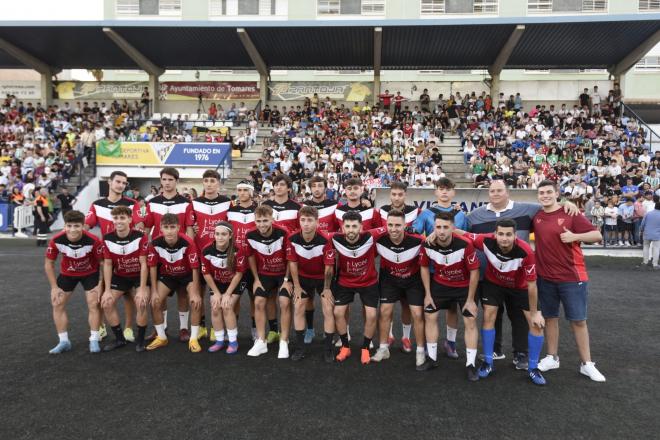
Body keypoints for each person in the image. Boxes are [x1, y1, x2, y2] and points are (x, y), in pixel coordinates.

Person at [466, 179, 577, 368]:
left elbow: (550, 206)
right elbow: (465, 236)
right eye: (492, 191)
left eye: (500, 190)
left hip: (519, 278)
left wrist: (566, 202)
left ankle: (521, 354)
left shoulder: (527, 209)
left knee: (518, 316)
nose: (496, 194)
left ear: (507, 192)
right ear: (488, 193)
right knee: (492, 315)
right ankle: (494, 350)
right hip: (489, 276)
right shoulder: (474, 216)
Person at [534, 180, 606, 382]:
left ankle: (587, 364)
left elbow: (597, 235)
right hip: (546, 277)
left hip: (572, 277)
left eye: (549, 192)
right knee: (550, 318)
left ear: (557, 193)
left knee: (578, 321)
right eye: (542, 193)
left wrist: (575, 235)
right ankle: (552, 357)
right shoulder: (537, 215)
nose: (545, 195)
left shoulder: (570, 213)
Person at [462, 220, 546, 385]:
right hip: (494, 284)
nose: (504, 238)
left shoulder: (526, 251)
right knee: (488, 316)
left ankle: (533, 368)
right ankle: (488, 362)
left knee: (536, 324)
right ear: (495, 234)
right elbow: (461, 233)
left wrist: (535, 312)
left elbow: (532, 285)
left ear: (515, 236)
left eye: (509, 234)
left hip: (519, 287)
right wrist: (437, 233)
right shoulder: (485, 240)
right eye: (501, 234)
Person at [418, 212, 480, 381]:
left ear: (453, 228)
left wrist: (470, 300)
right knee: (429, 315)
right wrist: (428, 294)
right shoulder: (427, 244)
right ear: (434, 228)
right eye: (438, 227)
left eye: (446, 227)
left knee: (470, 320)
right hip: (440, 285)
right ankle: (431, 359)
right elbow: (424, 268)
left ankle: (471, 364)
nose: (442, 231)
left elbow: (474, 271)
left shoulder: (465, 244)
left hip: (463, 287)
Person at [138, 167, 195, 342]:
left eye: (171, 179)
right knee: (158, 294)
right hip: (159, 253)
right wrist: (145, 247)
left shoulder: (186, 203)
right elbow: (147, 228)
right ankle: (160, 328)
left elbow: (190, 229)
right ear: (161, 181)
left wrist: (189, 249)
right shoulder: (152, 202)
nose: (167, 182)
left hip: (180, 253)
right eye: (164, 179)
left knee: (182, 293)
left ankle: (184, 329)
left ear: (176, 181)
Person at [413, 177, 467, 359]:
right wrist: (426, 239)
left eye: (448, 189)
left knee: (452, 309)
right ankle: (431, 345)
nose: (444, 192)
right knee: (431, 310)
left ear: (454, 192)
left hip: (455, 270)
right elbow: (414, 232)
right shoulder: (427, 213)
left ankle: (450, 343)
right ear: (435, 191)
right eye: (440, 189)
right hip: (433, 270)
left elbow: (467, 238)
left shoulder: (460, 214)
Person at [85, 170, 141, 341]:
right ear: (109, 182)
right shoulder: (97, 204)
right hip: (106, 257)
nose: (121, 185)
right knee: (100, 293)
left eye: (124, 183)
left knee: (129, 295)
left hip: (128, 256)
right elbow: (86, 226)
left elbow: (138, 225)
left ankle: (128, 329)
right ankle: (100, 326)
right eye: (118, 181)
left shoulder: (132, 204)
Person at [330, 211, 387, 365]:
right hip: (345, 282)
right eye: (347, 226)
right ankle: (345, 346)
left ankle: (365, 348)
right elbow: (316, 233)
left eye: (354, 226)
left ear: (361, 227)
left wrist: (411, 230)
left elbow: (391, 227)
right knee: (338, 312)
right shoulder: (335, 238)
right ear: (342, 227)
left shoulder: (371, 235)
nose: (351, 230)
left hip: (368, 282)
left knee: (371, 315)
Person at [371, 209, 426, 368]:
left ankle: (420, 351)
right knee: (385, 311)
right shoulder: (379, 239)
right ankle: (383, 348)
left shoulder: (418, 240)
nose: (393, 229)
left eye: (397, 225)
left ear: (405, 225)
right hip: (389, 280)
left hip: (413, 281)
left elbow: (433, 241)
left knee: (416, 313)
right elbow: (361, 233)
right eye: (390, 225)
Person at [44, 210, 104, 354]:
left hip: (90, 274)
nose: (72, 230)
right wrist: (53, 287)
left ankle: (94, 339)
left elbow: (103, 263)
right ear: (64, 226)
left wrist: (101, 284)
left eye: (76, 226)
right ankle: (64, 341)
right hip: (67, 274)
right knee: (57, 303)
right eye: (69, 226)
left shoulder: (94, 240)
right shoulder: (56, 240)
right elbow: (48, 264)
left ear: (83, 226)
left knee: (93, 303)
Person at [285, 206, 335, 362]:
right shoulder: (292, 238)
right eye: (303, 220)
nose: (306, 224)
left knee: (327, 307)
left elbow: (329, 268)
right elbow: (292, 263)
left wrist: (327, 289)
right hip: (303, 277)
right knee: (299, 306)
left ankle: (328, 349)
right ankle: (300, 348)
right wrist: (297, 286)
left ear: (317, 222)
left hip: (322, 278)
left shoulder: (326, 239)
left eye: (310, 220)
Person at [146, 214, 202, 352]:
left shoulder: (188, 242)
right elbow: (152, 267)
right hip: (168, 275)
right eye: (166, 227)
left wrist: (195, 292)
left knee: (195, 301)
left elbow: (195, 268)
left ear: (178, 228)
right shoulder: (155, 243)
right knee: (155, 301)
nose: (169, 231)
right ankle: (161, 337)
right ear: (160, 229)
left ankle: (193, 338)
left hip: (187, 275)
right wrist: (153, 291)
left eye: (172, 227)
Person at [100, 206, 150, 352]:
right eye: (116, 218)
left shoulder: (140, 236)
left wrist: (141, 289)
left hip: (138, 275)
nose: (119, 221)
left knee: (141, 302)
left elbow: (143, 264)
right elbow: (108, 264)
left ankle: (140, 341)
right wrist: (107, 290)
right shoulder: (107, 238)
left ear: (129, 219)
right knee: (107, 303)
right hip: (121, 275)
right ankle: (120, 339)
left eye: (122, 218)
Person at [377, 181, 419, 352]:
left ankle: (406, 337)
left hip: (410, 267)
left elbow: (425, 228)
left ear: (405, 195)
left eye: (400, 194)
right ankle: (390, 334)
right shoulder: (380, 211)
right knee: (387, 306)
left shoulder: (416, 212)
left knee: (406, 305)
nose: (396, 197)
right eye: (393, 194)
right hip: (387, 266)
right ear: (390, 195)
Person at [246, 205, 291, 358]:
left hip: (283, 274)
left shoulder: (283, 233)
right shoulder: (250, 234)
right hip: (265, 274)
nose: (262, 224)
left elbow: (291, 258)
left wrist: (286, 280)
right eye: (258, 221)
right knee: (258, 301)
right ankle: (261, 341)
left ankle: (284, 341)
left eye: (265, 220)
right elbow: (250, 256)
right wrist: (256, 279)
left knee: (284, 302)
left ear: (272, 219)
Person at [191, 169, 231, 341]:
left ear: (218, 184)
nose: (209, 184)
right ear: (203, 183)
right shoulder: (194, 203)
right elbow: (189, 226)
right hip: (201, 253)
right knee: (198, 293)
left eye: (212, 181)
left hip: (221, 256)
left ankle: (218, 328)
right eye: (206, 180)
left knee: (221, 294)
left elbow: (231, 227)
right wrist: (193, 230)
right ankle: (200, 326)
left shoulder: (228, 203)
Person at [200, 222, 247, 354]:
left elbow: (239, 274)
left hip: (235, 282)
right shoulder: (207, 250)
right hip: (217, 282)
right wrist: (215, 292)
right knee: (215, 306)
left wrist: (227, 294)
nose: (220, 237)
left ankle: (233, 341)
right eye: (217, 234)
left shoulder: (238, 250)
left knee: (226, 305)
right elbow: (206, 273)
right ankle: (219, 341)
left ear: (230, 235)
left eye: (224, 234)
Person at [640, 200, 660, 269]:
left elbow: (642, 224)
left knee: (645, 247)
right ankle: (655, 264)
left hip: (647, 233)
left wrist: (641, 230)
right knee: (656, 249)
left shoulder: (648, 214)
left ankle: (645, 262)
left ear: (655, 206)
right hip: (657, 235)